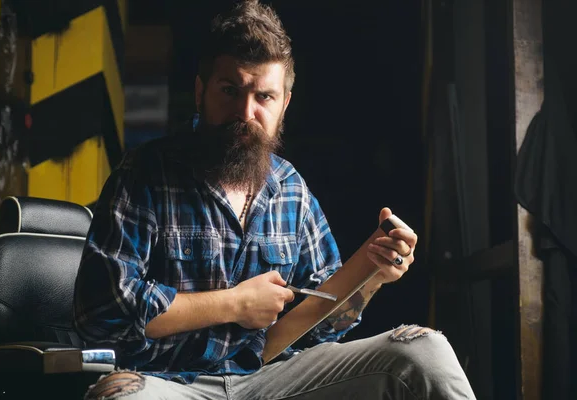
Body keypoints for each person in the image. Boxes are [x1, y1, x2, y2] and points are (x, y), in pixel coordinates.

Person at [73, 1, 476, 399]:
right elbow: (105, 313)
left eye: (263, 97)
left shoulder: (291, 189)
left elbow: (316, 326)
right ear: (200, 92)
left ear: (284, 104)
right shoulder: (144, 174)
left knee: (425, 352)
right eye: (230, 90)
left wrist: (372, 273)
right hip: (169, 383)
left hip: (272, 380)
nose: (244, 112)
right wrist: (234, 304)